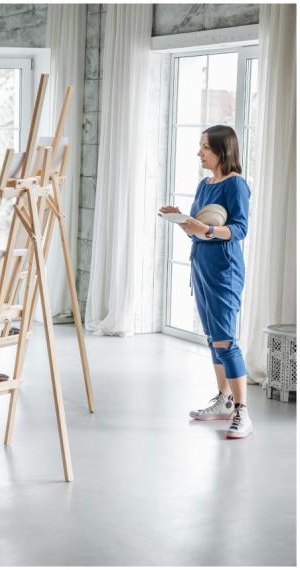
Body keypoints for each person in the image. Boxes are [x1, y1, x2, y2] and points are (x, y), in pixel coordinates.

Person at [159, 125, 253, 439]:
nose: (199, 152)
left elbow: (239, 229)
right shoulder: (205, 184)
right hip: (200, 263)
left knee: (226, 338)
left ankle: (242, 412)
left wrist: (209, 231)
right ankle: (224, 401)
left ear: (221, 151)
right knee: (214, 338)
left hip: (224, 267)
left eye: (204, 147)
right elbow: (196, 228)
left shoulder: (236, 185)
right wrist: (182, 219)